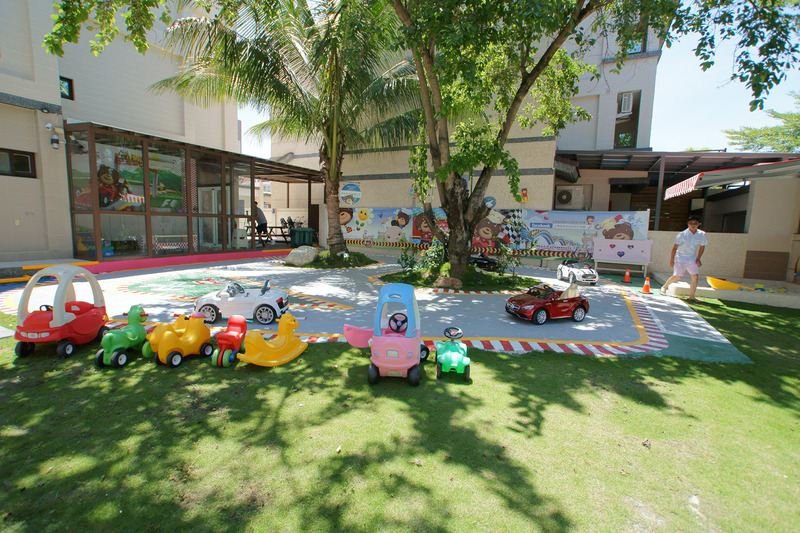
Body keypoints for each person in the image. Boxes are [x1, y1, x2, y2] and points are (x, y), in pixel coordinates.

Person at [660, 215, 707, 302]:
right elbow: (674, 248)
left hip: (692, 257)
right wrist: (671, 261)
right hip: (680, 257)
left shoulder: (702, 234)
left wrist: (698, 258)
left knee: (695, 276)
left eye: (695, 223)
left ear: (699, 224)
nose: (693, 225)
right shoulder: (682, 234)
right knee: (678, 276)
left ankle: (692, 296)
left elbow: (702, 247)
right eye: (691, 223)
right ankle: (664, 287)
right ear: (688, 224)